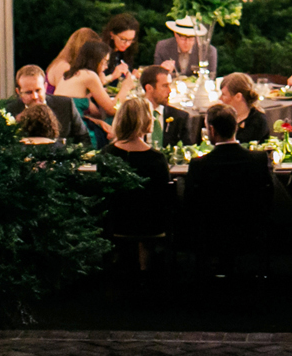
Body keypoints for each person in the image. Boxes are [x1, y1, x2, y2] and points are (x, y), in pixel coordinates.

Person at [184, 104, 275, 254]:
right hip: (250, 230)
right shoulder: (258, 160)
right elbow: (268, 196)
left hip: (211, 234)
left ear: (211, 130)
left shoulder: (199, 164)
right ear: (236, 127)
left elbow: (191, 204)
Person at [103, 97, 174, 264]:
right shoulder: (157, 159)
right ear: (146, 121)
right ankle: (146, 271)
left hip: (115, 222)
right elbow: (164, 196)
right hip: (151, 224)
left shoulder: (107, 154)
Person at [53, 37, 118, 146]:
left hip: (66, 131)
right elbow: (112, 109)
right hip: (79, 135)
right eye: (105, 62)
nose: (106, 67)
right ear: (96, 60)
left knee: (105, 123)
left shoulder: (69, 74)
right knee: (118, 122)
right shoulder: (89, 76)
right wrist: (126, 87)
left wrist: (98, 121)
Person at [8, 65, 86, 140]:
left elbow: (84, 137)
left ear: (45, 87)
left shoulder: (65, 105)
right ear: (18, 92)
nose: (35, 97)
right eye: (28, 92)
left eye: (38, 90)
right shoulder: (9, 111)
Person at [138, 64, 188, 148]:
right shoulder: (135, 115)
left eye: (169, 85)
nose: (169, 91)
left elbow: (187, 149)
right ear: (149, 88)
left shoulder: (179, 117)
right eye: (165, 86)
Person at [154, 17, 218, 77]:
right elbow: (156, 77)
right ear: (175, 34)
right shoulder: (163, 47)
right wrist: (162, 71)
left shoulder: (208, 51)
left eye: (191, 38)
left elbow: (211, 78)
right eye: (183, 38)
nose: (186, 42)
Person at [218, 72, 271, 143]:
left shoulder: (257, 121)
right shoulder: (224, 117)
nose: (220, 98)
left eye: (223, 94)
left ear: (238, 97)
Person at [102, 13, 140, 85]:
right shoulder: (100, 52)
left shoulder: (125, 53)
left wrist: (133, 76)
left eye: (131, 40)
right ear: (112, 34)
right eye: (123, 39)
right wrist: (112, 76)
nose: (127, 44)